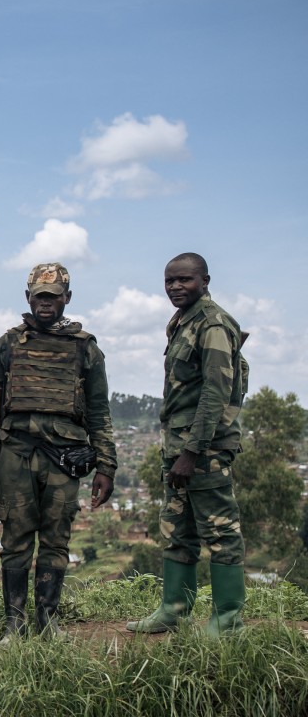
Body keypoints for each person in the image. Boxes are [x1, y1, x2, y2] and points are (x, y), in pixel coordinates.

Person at [0, 262, 117, 641]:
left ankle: (48, 621)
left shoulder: (85, 348)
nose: (46, 303)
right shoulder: (7, 345)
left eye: (53, 297)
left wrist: (106, 465)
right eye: (39, 296)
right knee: (16, 539)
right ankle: (14, 624)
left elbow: (100, 410)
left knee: (56, 539)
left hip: (64, 458)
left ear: (67, 298)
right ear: (28, 298)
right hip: (15, 453)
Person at [127, 253, 248, 637]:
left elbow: (216, 393)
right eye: (170, 281)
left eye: (185, 280)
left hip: (203, 451)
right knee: (177, 528)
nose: (176, 287)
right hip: (178, 448)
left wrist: (192, 452)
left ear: (205, 280)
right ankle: (174, 610)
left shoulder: (212, 324)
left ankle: (227, 622)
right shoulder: (183, 323)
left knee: (220, 531)